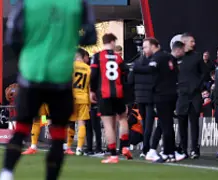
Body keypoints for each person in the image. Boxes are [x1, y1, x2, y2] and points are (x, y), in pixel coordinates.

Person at [0, 0, 97, 180]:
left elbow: (12, 35)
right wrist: (68, 39)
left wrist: (28, 52)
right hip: (61, 76)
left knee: (22, 128)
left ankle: (6, 174)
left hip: (32, 72)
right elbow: (91, 37)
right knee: (57, 134)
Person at [132, 38, 179, 163]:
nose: (144, 50)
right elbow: (176, 73)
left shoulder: (157, 58)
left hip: (161, 95)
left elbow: (150, 69)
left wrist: (135, 68)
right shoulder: (170, 57)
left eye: (146, 47)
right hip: (172, 94)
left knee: (165, 124)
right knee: (168, 124)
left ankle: (167, 153)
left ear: (154, 46)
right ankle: (171, 153)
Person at [90, 33, 131, 164]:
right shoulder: (119, 58)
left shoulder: (97, 57)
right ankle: (124, 146)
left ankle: (113, 155)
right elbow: (126, 76)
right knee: (123, 118)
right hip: (118, 94)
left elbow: (93, 75)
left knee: (108, 125)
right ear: (112, 42)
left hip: (104, 94)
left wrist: (92, 91)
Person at [176, 33, 207, 160]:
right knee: (182, 122)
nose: (194, 44)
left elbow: (204, 73)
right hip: (181, 95)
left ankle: (194, 149)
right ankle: (183, 149)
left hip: (194, 95)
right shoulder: (178, 57)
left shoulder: (197, 57)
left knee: (194, 122)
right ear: (184, 42)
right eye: (191, 41)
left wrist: (197, 86)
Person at [130, 36, 157, 161]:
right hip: (150, 97)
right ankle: (147, 149)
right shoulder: (154, 62)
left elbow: (130, 80)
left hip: (140, 97)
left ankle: (145, 149)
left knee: (145, 123)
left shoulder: (136, 64)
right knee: (148, 125)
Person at [65, 48, 91, 156]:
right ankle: (79, 149)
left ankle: (68, 147)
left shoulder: (70, 66)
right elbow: (89, 87)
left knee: (70, 123)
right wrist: (89, 102)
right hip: (83, 98)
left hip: (72, 97)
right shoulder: (88, 68)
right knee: (81, 123)